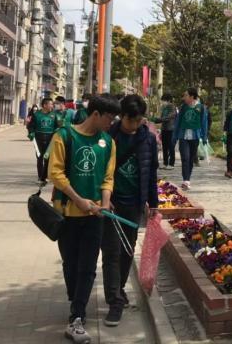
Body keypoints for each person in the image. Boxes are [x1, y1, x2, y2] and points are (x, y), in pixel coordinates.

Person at [49, 93, 120, 344]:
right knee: (70, 262)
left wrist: (103, 201)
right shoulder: (65, 136)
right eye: (109, 118)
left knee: (88, 267)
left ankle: (77, 316)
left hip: (95, 216)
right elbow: (55, 173)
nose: (111, 123)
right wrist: (78, 200)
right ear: (96, 114)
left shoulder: (108, 143)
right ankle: (75, 302)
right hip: (67, 213)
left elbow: (107, 177)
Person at [101, 94, 159, 327]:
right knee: (111, 252)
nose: (134, 125)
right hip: (112, 203)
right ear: (121, 116)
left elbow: (152, 171)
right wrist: (104, 197)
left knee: (127, 250)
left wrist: (153, 203)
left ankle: (120, 289)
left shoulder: (148, 139)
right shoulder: (108, 136)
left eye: (138, 120)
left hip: (135, 203)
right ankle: (114, 301)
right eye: (130, 120)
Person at [172, 88, 206, 189]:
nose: (184, 97)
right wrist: (175, 136)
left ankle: (188, 179)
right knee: (185, 158)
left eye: (186, 95)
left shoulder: (201, 108)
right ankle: (185, 180)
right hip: (183, 137)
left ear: (192, 97)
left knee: (191, 159)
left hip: (195, 137)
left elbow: (204, 123)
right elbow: (177, 122)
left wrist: (204, 136)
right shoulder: (183, 107)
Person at [29, 97, 60, 186]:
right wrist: (31, 132)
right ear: (44, 105)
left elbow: (57, 126)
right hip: (39, 137)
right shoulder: (36, 114)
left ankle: (45, 177)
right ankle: (40, 177)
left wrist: (57, 130)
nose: (52, 105)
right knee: (39, 157)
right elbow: (31, 126)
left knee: (47, 158)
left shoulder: (54, 115)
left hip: (50, 138)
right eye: (50, 104)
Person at [156, 93, 177, 170]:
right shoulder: (164, 108)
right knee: (164, 146)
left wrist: (158, 120)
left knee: (171, 146)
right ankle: (165, 163)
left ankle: (171, 163)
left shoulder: (172, 107)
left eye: (164, 100)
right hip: (164, 129)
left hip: (171, 129)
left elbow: (168, 117)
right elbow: (162, 117)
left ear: (168, 100)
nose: (162, 102)